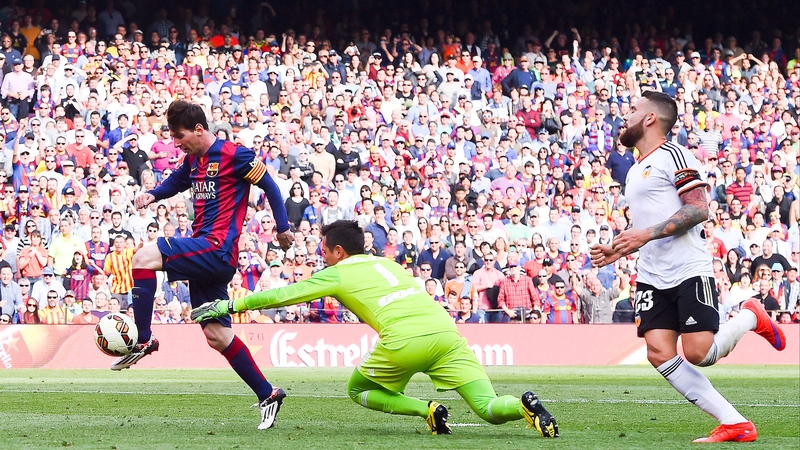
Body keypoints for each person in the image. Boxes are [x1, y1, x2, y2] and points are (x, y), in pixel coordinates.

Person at [192, 220, 558, 437]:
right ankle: (525, 406)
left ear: (338, 251)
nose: (321, 256)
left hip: (404, 339)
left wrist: (228, 305)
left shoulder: (337, 272)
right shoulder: (391, 265)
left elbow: (284, 295)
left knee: (358, 389)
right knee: (487, 407)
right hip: (446, 333)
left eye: (324, 250)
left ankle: (427, 410)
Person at [590, 91, 787, 443]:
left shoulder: (675, 155)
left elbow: (698, 208)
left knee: (699, 353)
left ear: (650, 118)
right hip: (651, 274)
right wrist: (619, 248)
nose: (624, 116)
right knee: (658, 352)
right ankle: (735, 423)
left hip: (687, 268)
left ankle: (749, 316)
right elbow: (647, 224)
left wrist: (644, 234)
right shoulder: (634, 171)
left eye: (633, 110)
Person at [116, 101, 294, 430]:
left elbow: (269, 185)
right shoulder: (193, 160)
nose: (175, 143)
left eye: (179, 136)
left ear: (199, 130)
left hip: (217, 249)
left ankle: (143, 338)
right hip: (206, 255)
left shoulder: (235, 155)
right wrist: (153, 195)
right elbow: (176, 182)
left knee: (142, 258)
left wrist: (282, 228)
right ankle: (268, 393)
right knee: (216, 335)